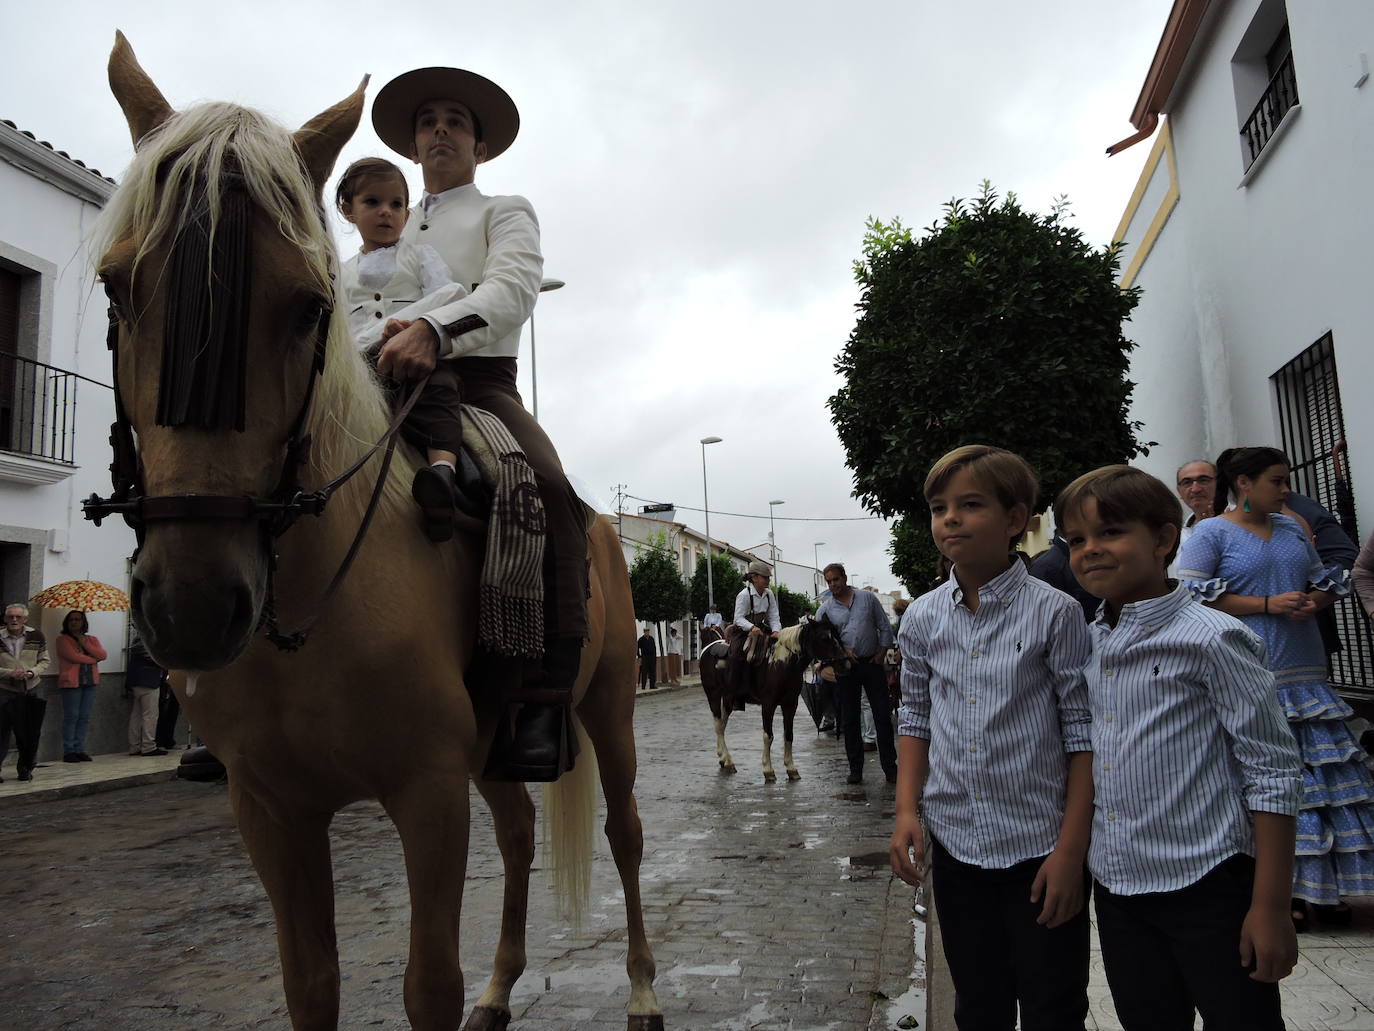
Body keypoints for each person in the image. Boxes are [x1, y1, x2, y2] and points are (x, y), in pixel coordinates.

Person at [370, 67, 588, 781]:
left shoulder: (505, 209)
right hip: (378, 376)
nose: (440, 129)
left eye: (456, 121)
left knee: (549, 489)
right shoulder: (390, 223)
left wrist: (435, 330)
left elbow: (512, 288)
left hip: (479, 384)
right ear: (412, 144)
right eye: (427, 120)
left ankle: (545, 695)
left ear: (480, 147)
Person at [1057, 465, 1302, 1030]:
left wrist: (1270, 906)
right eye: (1076, 539)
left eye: (1110, 532)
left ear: (1164, 539)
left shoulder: (1214, 637)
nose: (1090, 550)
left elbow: (1273, 771)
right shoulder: (1090, 642)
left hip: (1210, 882)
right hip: (1119, 888)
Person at [889, 444, 1093, 1030]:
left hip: (1040, 848)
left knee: (1054, 1005)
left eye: (970, 504)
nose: (950, 518)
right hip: (956, 847)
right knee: (978, 1004)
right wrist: (906, 810)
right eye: (939, 508)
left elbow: (1082, 734)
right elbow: (916, 718)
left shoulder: (1057, 613)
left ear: (1015, 519)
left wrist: (1070, 853)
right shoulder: (923, 617)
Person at [1177, 446, 1374, 930]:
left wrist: (1314, 600)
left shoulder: (1291, 528)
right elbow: (1189, 596)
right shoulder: (1211, 533)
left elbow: (1322, 579)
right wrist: (1265, 604)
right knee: (1267, 780)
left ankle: (1325, 890)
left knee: (1321, 784)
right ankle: (1278, 890)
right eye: (1277, 481)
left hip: (1306, 670)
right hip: (1250, 668)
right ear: (1244, 484)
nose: (1286, 490)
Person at [336, 156, 485, 529]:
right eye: (373, 202)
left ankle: (442, 473)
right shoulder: (339, 272)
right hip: (359, 367)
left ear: (406, 214)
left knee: (440, 388)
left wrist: (413, 324)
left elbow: (450, 295)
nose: (386, 212)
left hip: (414, 359)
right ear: (348, 210)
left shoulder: (421, 257)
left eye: (396, 204)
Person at [817, 565, 896, 785]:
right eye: (829, 581)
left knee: (882, 716)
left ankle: (890, 768)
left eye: (836, 579)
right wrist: (838, 655)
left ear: (844, 578)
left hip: (871, 663)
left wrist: (881, 652)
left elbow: (884, 625)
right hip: (846, 668)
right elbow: (820, 640)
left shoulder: (867, 599)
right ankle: (855, 769)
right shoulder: (825, 609)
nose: (833, 584)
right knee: (850, 719)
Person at [0, 602, 49, 782]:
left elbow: (45, 660)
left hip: (30, 688)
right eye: (10, 616)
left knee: (29, 732)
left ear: (25, 619)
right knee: (1, 731)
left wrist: (31, 672)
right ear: (5, 618)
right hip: (4, 689)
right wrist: (9, 673)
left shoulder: (36, 636)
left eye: (18, 617)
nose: (14, 620)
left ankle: (26, 768)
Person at [726, 560, 781, 711]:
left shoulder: (769, 594)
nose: (768, 580)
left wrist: (776, 630)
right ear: (755, 578)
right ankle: (736, 695)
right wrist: (751, 627)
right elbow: (738, 618)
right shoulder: (744, 595)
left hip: (763, 630)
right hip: (743, 632)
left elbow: (774, 615)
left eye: (768, 577)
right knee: (736, 656)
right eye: (765, 577)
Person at [55, 610, 106, 763]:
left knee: (84, 717)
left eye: (78, 619)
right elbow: (73, 657)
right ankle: (69, 750)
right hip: (71, 683)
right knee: (71, 717)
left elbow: (102, 655)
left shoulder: (92, 639)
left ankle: (79, 749)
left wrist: (84, 643)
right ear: (67, 622)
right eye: (71, 620)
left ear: (83, 622)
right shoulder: (62, 640)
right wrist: (93, 659)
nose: (74, 622)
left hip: (89, 682)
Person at [125, 632, 167, 757]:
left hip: (136, 680)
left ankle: (134, 746)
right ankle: (148, 746)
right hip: (149, 680)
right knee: (150, 714)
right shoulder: (148, 640)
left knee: (136, 715)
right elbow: (157, 659)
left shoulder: (137, 640)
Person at [1175, 459, 1217, 547]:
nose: (1195, 489)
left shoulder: (1239, 522)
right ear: (1179, 491)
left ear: (1219, 484)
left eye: (1203, 480)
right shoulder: (1178, 537)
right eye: (1187, 482)